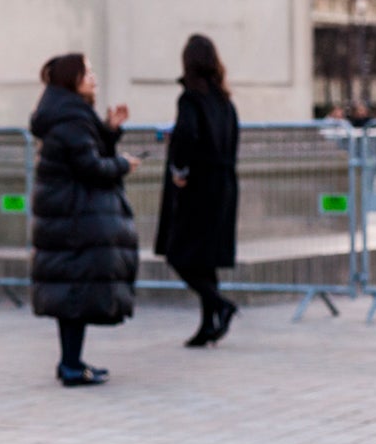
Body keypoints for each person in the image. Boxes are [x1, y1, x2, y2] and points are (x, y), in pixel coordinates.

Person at [29, 53, 140, 386]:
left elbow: (84, 152)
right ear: (71, 80)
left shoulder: (68, 114)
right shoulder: (71, 118)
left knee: (73, 290)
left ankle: (72, 362)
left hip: (69, 215)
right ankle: (71, 366)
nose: (94, 78)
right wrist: (123, 164)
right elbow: (90, 167)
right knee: (75, 291)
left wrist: (108, 131)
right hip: (74, 216)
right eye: (87, 73)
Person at [155, 34, 241, 348]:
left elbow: (189, 134)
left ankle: (219, 303)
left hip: (198, 187)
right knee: (205, 259)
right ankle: (207, 324)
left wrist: (180, 169)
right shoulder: (224, 100)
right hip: (223, 186)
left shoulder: (191, 98)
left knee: (178, 254)